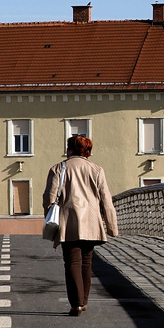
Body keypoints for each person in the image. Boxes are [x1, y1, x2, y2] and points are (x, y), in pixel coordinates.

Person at [42, 135, 119, 316]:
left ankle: (76, 303)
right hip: (91, 221)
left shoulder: (58, 169)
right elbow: (107, 200)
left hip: (68, 220)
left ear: (69, 149)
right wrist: (111, 227)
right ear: (87, 151)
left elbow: (49, 198)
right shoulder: (97, 170)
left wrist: (49, 219)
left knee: (72, 261)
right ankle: (83, 301)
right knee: (86, 262)